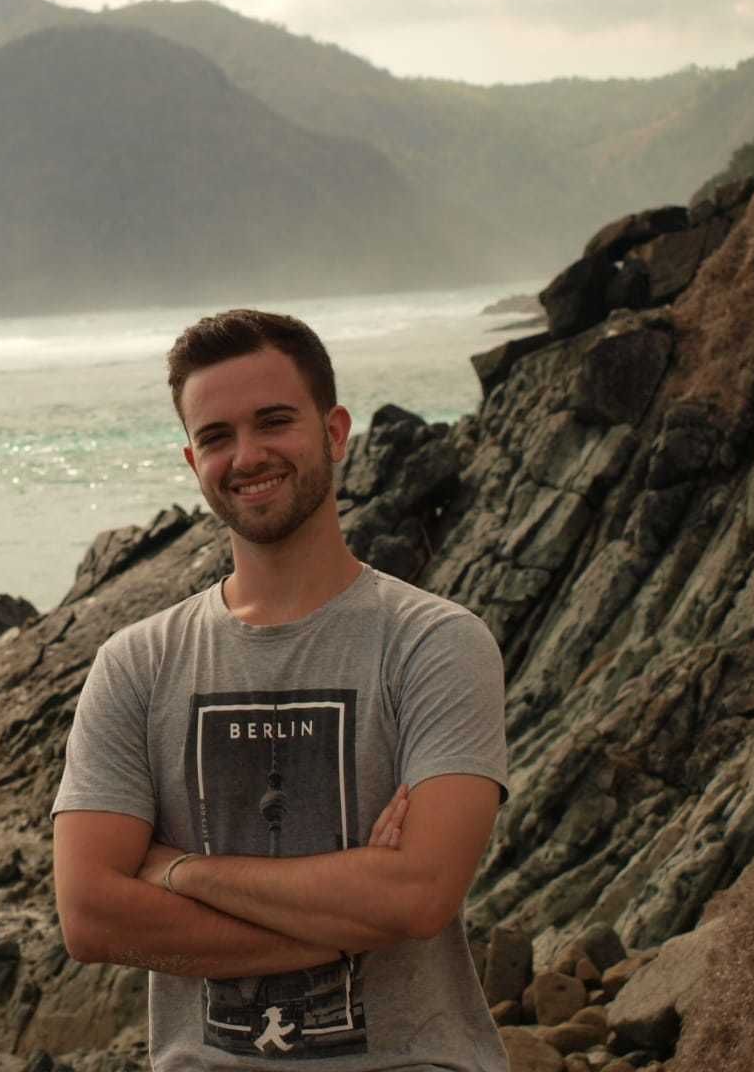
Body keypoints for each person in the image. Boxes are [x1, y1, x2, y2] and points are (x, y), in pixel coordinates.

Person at [51, 309, 508, 1069]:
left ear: (334, 432)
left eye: (273, 422)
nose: (247, 456)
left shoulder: (434, 643)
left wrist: (177, 870)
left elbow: (420, 895)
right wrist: (352, 912)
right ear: (191, 460)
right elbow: (91, 916)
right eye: (217, 437)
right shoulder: (135, 663)